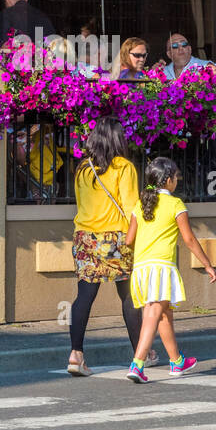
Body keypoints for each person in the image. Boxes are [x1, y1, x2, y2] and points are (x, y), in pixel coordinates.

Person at [123, 157, 216, 383]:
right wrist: (207, 264)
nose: (177, 181)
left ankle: (176, 361)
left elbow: (128, 240)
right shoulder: (175, 205)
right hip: (161, 267)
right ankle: (137, 364)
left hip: (142, 267)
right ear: (167, 181)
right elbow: (189, 239)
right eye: (175, 177)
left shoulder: (140, 205)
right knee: (154, 313)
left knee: (164, 313)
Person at [67, 117, 146, 376]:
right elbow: (131, 207)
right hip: (113, 239)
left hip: (85, 238)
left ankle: (76, 354)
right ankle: (140, 355)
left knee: (84, 296)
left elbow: (80, 204)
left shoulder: (82, 168)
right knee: (128, 295)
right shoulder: (124, 167)